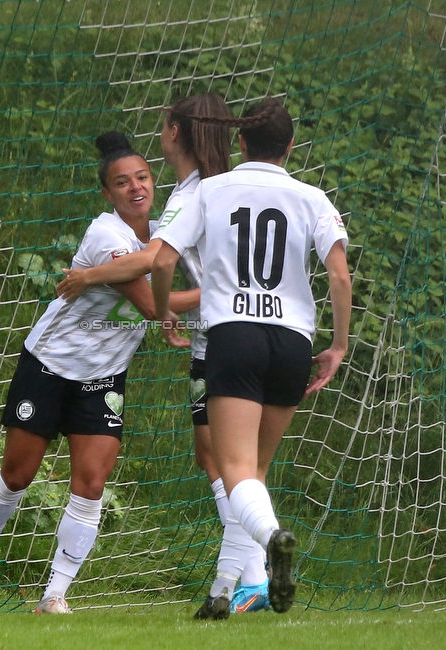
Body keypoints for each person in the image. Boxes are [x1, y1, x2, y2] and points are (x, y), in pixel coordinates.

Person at [0, 131, 199, 614]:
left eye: (142, 177)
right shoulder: (108, 235)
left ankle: (54, 595)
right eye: (122, 183)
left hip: (103, 376)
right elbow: (149, 303)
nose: (135, 188)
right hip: (50, 365)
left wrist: (173, 315)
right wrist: (224, 292)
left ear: (154, 181)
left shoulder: (164, 237)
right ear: (108, 194)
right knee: (18, 474)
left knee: (91, 482)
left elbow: (157, 297)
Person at [55, 93, 274, 615]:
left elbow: (155, 257)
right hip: (269, 329)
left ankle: (256, 573)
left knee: (226, 463)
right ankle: (252, 575)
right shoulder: (229, 184)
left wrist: (87, 275)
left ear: (175, 133)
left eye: (162, 126)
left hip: (222, 339)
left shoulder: (191, 193)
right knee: (229, 461)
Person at [151, 97, 352, 619]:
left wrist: (162, 312)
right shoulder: (311, 196)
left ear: (240, 143)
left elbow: (165, 258)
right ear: (289, 146)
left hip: (234, 335)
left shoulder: (211, 190)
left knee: (235, 470)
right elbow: (338, 275)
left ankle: (273, 539)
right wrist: (339, 345)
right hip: (292, 342)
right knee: (255, 473)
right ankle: (221, 593)